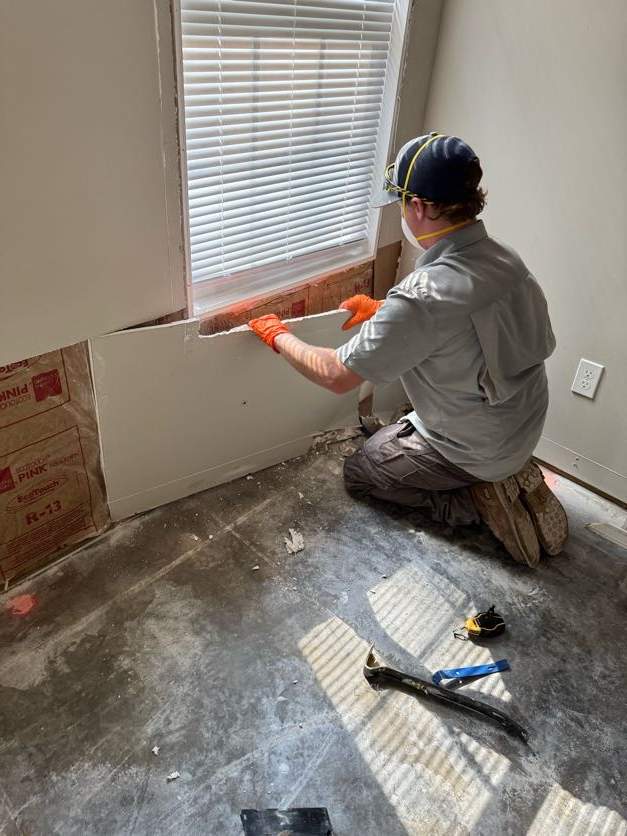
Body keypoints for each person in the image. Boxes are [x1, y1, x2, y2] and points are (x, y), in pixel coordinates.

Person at [248, 132, 568, 567]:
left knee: (363, 471)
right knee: (391, 432)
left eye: (401, 201)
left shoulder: (426, 296)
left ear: (417, 206)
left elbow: (336, 375)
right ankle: (508, 471)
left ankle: (476, 503)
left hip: (479, 447)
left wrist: (277, 335)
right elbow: (469, 326)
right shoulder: (504, 259)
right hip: (522, 424)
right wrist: (384, 311)